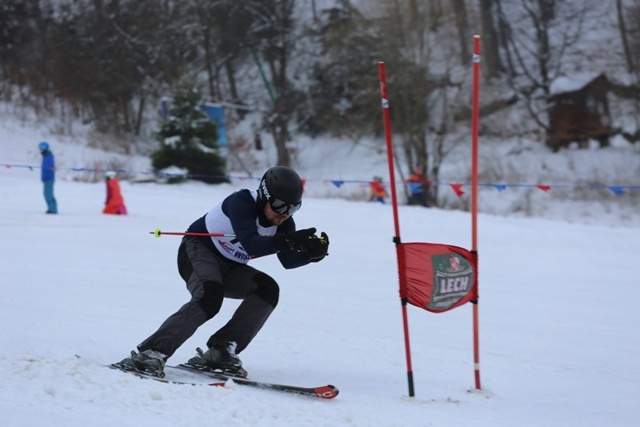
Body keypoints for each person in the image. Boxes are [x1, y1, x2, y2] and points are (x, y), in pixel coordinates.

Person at [115, 166, 329, 378]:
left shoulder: (283, 223)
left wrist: (311, 255)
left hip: (231, 265)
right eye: (279, 206)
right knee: (210, 297)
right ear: (264, 196)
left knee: (267, 289)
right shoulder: (242, 202)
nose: (284, 214)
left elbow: (288, 261)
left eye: (292, 208)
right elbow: (252, 244)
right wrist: (288, 240)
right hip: (198, 250)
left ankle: (221, 350)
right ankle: (151, 352)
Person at [38, 141, 57, 214]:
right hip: (46, 178)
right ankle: (50, 208)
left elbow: (48, 168)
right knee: (46, 194)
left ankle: (53, 210)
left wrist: (45, 177)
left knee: (49, 194)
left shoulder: (48, 156)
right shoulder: (45, 156)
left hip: (49, 178)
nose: (41, 149)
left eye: (42, 147)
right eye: (39, 148)